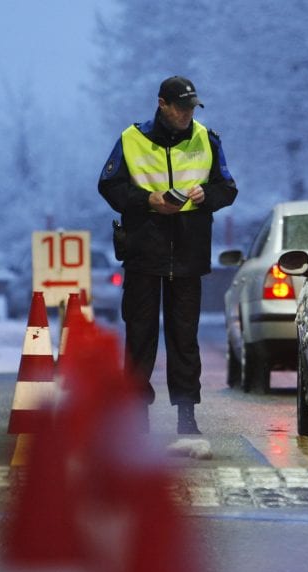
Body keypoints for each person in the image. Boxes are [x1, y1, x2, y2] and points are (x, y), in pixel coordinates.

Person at [98, 75, 237, 434]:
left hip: (189, 255)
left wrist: (209, 195)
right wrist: (148, 200)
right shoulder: (132, 139)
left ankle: (187, 418)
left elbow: (228, 187)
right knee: (140, 338)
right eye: (181, 107)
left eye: (192, 107)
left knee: (184, 340)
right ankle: (135, 418)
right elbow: (109, 185)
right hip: (144, 252)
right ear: (162, 104)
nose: (187, 114)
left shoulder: (207, 138)